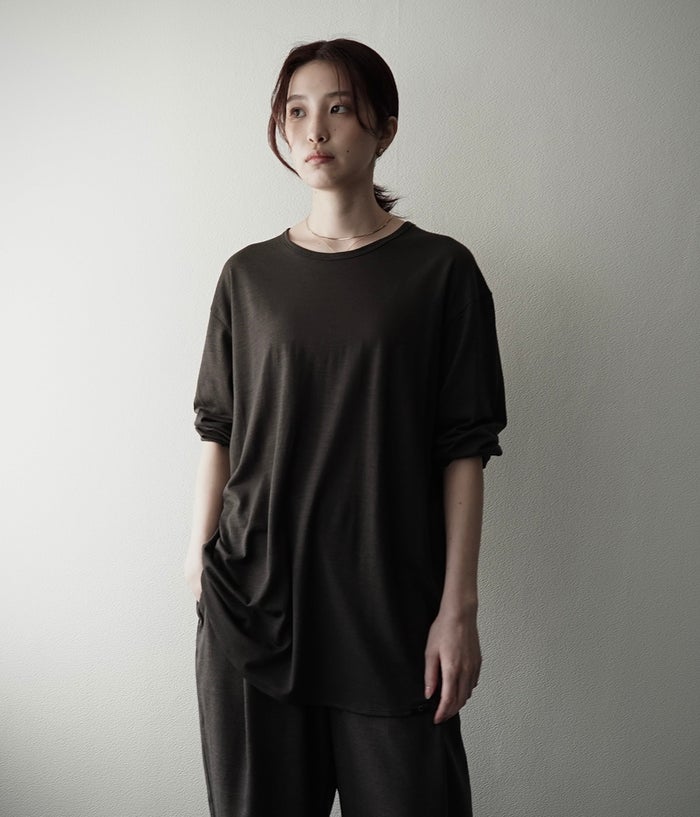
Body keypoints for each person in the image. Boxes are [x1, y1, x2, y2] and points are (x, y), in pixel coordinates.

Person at [184, 37, 507, 817]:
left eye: (338, 109)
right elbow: (219, 428)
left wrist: (458, 607)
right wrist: (198, 560)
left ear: (384, 127)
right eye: (296, 112)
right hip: (253, 607)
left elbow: (464, 447)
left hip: (392, 615)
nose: (314, 130)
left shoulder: (442, 272)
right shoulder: (248, 277)